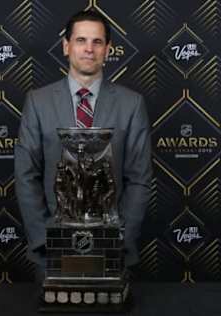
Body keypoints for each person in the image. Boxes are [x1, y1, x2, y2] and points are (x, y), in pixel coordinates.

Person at [14, 9, 152, 280]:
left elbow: (139, 178)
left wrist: (119, 239)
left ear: (107, 49)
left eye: (97, 42)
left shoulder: (131, 104)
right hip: (52, 250)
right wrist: (46, 239)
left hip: (112, 249)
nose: (89, 49)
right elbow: (26, 175)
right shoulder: (38, 102)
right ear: (66, 46)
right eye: (81, 40)